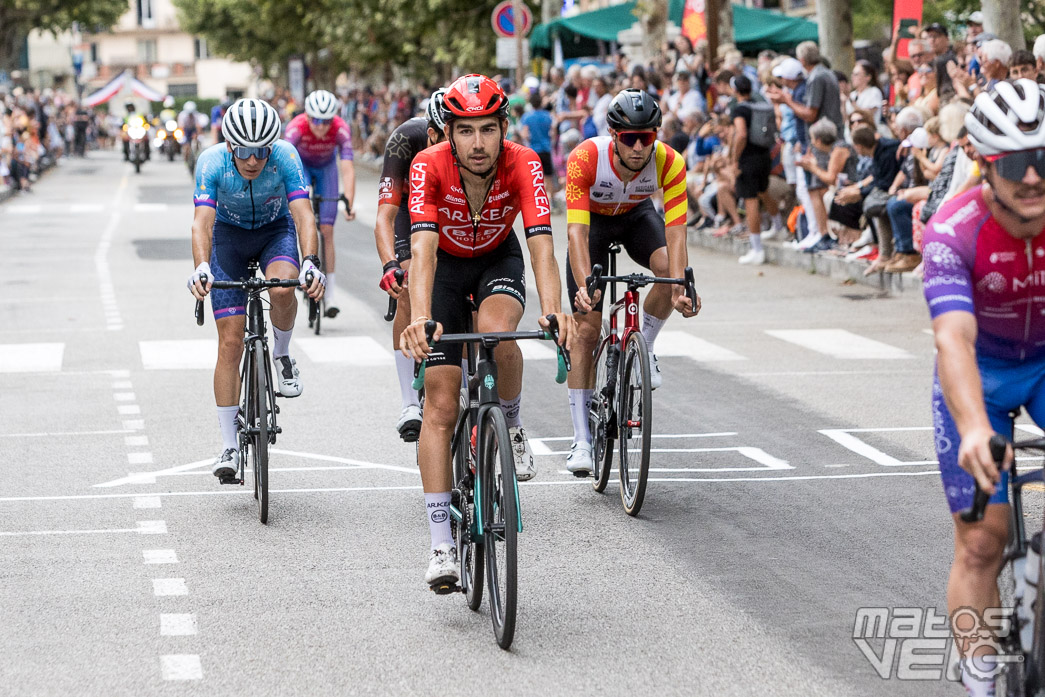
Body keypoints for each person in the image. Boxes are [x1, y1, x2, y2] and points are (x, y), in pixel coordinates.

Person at [398, 75, 572, 589]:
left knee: (499, 336)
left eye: (489, 130)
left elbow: (542, 245)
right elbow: (423, 253)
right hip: (445, 270)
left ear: (503, 129)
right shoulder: (427, 166)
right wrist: (421, 316)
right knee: (442, 404)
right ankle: (440, 546)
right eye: (467, 131)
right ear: (449, 132)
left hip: (498, 257)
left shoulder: (525, 163)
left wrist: (555, 310)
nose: (479, 143)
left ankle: (511, 426)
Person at [923, 79, 1045, 697]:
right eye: (1016, 164)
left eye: (1044, 160)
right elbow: (953, 342)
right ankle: (982, 679)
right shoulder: (953, 231)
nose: (1032, 179)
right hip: (983, 377)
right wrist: (973, 426)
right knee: (980, 544)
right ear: (982, 160)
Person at [562, 88, 700, 475]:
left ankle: (646, 345)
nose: (639, 147)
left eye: (647, 138)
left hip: (637, 215)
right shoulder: (585, 157)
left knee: (667, 269)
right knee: (587, 331)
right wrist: (584, 284)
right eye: (629, 139)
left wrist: (680, 287)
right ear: (613, 135)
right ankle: (581, 441)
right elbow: (575, 232)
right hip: (593, 224)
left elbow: (676, 234)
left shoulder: (670, 162)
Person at [186, 99, 325, 480]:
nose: (253, 160)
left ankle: (281, 354)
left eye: (261, 151)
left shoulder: (285, 157)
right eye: (245, 152)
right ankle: (229, 445)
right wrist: (201, 266)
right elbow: (202, 223)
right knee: (230, 344)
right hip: (227, 239)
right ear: (231, 146)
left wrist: (311, 261)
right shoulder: (211, 161)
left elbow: (302, 214)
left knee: (282, 290)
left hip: (273, 232)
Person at [374, 88, 447, 442]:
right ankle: (409, 403)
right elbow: (385, 217)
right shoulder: (405, 140)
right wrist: (390, 264)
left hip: (453, 210)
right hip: (410, 208)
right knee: (407, 284)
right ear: (431, 132)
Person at [284, 89, 357, 317]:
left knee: (327, 230)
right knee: (300, 218)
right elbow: (285, 163)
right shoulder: (295, 128)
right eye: (316, 120)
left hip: (327, 169)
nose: (321, 126)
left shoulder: (341, 128)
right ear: (306, 116)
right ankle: (301, 267)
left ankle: (331, 295)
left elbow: (347, 167)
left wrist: (350, 202)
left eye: (326, 121)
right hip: (301, 167)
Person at [729, 75, 776, 265]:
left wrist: (734, 159)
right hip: (764, 155)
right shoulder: (758, 105)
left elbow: (741, 134)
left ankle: (757, 248)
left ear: (735, 90)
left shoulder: (739, 109)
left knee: (750, 200)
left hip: (748, 158)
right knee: (763, 191)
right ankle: (778, 224)